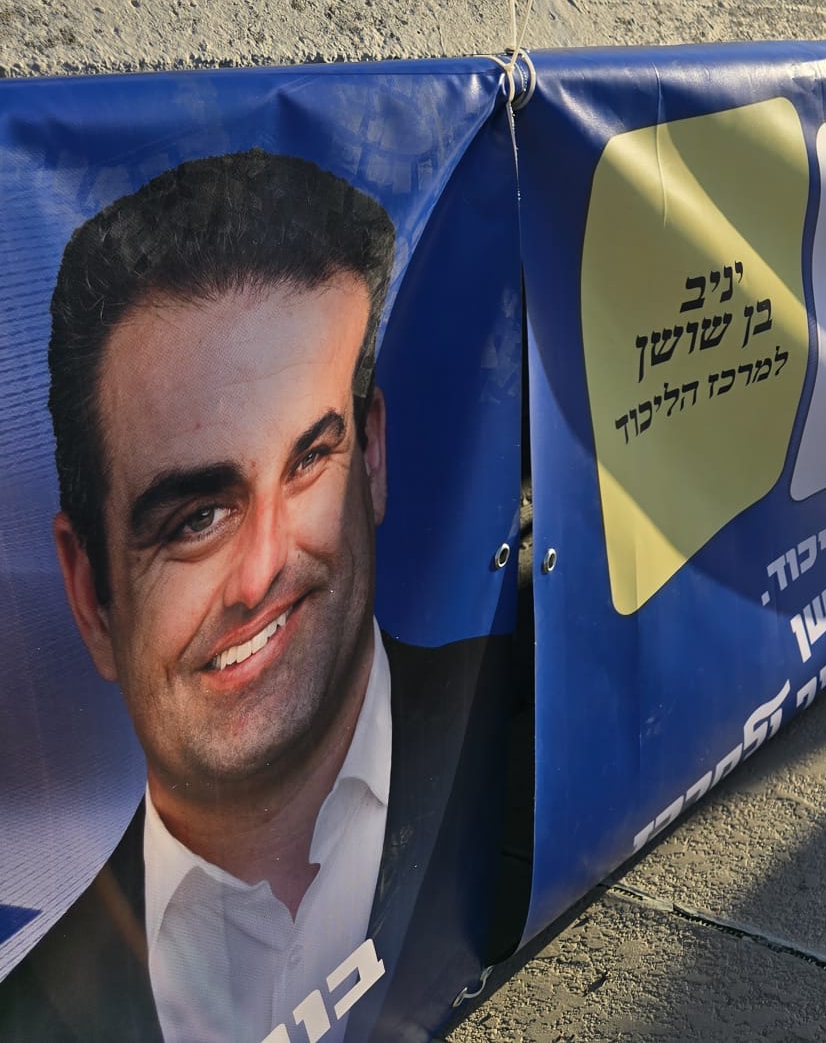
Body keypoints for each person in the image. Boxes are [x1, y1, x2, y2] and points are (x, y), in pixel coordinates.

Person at [0, 150, 511, 1043]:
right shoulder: (30, 1013)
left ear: (373, 457)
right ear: (89, 594)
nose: (264, 569)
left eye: (309, 460)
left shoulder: (541, 730)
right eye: (197, 517)